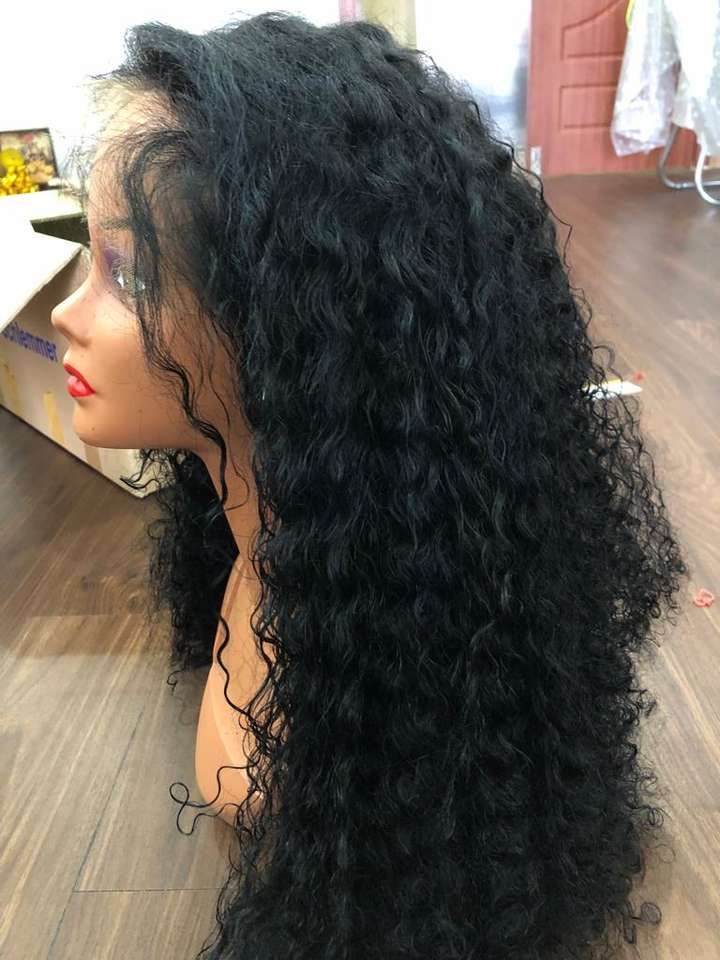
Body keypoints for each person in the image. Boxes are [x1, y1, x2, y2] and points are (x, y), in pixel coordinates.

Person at [50, 12, 689, 960]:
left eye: (128, 275)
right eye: (88, 257)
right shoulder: (268, 553)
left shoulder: (402, 677)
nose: (68, 314)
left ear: (290, 327)